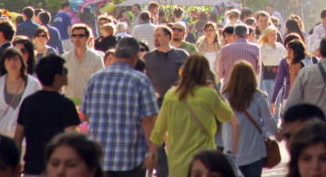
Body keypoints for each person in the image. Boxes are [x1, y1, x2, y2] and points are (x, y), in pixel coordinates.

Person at [81, 37, 159, 177]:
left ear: (115, 54)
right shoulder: (140, 80)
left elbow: (85, 115)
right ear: (135, 57)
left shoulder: (94, 79)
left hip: (99, 158)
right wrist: (152, 151)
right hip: (130, 159)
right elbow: (148, 120)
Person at [150, 54, 235, 177]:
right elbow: (227, 115)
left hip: (177, 164)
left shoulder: (171, 95)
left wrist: (152, 153)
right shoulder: (208, 95)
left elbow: (158, 130)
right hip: (203, 164)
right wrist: (218, 94)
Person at [14, 55, 81, 176]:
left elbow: (18, 137)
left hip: (31, 169)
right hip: (58, 170)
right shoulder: (66, 105)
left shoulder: (28, 102)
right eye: (64, 71)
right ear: (57, 77)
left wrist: (15, 166)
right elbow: (72, 139)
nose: (66, 74)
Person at [223, 61, 278, 177]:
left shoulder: (225, 98)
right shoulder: (258, 97)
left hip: (231, 151)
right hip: (255, 151)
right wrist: (278, 133)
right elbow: (269, 122)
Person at [0, 47, 41, 135]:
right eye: (8, 60)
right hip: (1, 137)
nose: (12, 63)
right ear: (4, 63)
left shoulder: (34, 84)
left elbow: (38, 113)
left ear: (22, 62)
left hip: (25, 138)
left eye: (15, 59)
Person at [61, 24, 104, 106]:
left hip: (89, 104)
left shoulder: (96, 58)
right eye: (74, 36)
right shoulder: (65, 58)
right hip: (68, 104)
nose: (77, 39)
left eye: (81, 36)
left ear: (87, 38)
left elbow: (100, 83)